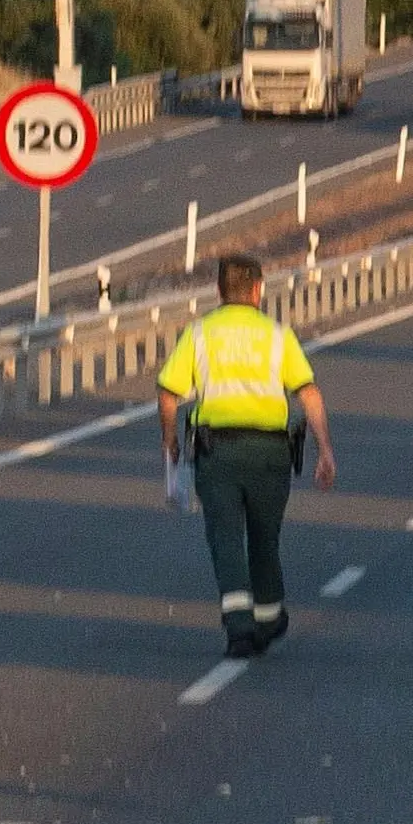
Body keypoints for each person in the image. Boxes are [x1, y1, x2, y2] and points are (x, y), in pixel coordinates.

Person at [150, 255, 334, 656]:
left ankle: (239, 629)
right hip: (270, 454)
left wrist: (171, 441)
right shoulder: (277, 335)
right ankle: (268, 619)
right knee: (265, 538)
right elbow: (308, 393)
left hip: (217, 454)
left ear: (218, 291)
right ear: (257, 289)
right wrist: (325, 450)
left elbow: (168, 394)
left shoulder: (199, 334)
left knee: (226, 538)